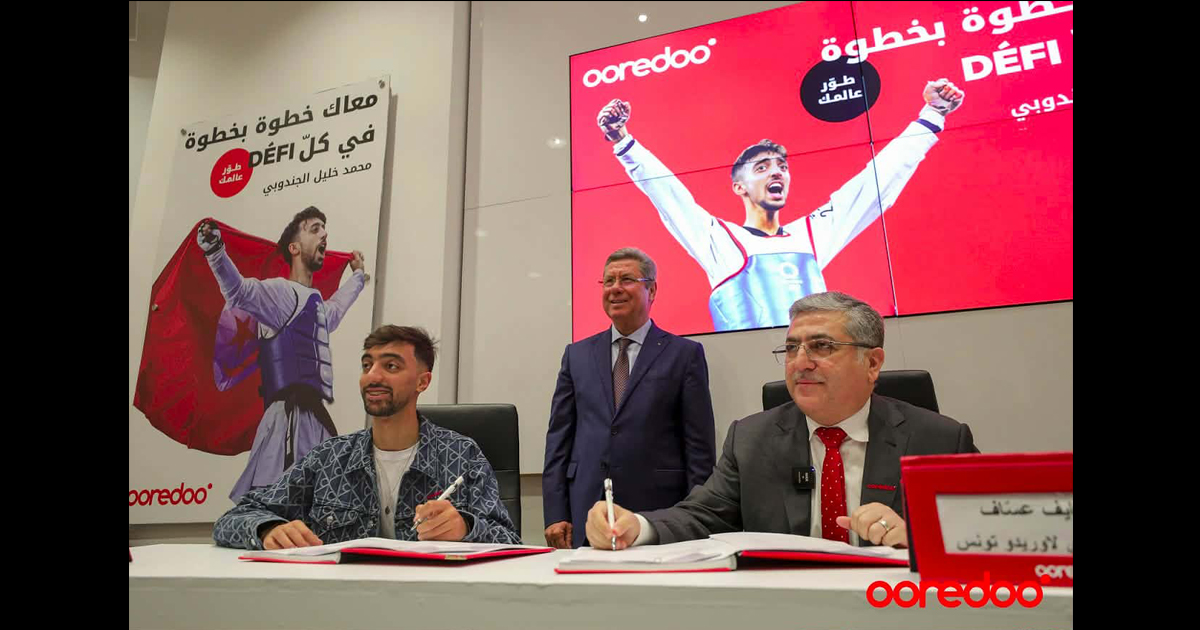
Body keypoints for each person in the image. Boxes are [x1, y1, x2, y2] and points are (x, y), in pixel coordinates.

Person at [584, 291, 979, 550]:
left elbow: (990, 533)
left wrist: (918, 539)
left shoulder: (940, 441)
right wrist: (636, 526)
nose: (800, 362)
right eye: (791, 348)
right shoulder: (750, 438)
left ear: (872, 363)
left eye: (821, 346)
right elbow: (701, 516)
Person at [596, 79, 966, 331]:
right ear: (739, 187)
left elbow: (873, 185)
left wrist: (932, 116)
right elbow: (667, 194)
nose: (777, 172)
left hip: (817, 370)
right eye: (762, 167)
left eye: (782, 167)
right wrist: (622, 141)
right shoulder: (720, 240)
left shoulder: (811, 235)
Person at [213, 325, 521, 549]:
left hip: (431, 604)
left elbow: (510, 541)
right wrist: (267, 529)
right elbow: (234, 518)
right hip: (342, 606)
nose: (372, 376)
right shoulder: (330, 458)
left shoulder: (461, 456)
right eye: (367, 365)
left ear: (422, 382)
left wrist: (465, 527)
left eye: (391, 366)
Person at [543, 247, 717, 549]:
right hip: (586, 508)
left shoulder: (684, 355)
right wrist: (556, 513)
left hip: (659, 510)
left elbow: (699, 447)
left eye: (626, 279)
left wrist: (696, 517)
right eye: (608, 281)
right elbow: (559, 438)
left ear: (652, 290)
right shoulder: (577, 355)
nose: (615, 288)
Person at [197, 208, 368, 501]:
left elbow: (336, 308)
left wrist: (359, 277)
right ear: (294, 248)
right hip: (287, 420)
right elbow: (238, 292)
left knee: (326, 500)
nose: (324, 234)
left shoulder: (316, 303)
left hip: (316, 418)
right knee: (279, 503)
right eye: (314, 229)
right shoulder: (279, 294)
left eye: (324, 229)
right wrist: (215, 250)